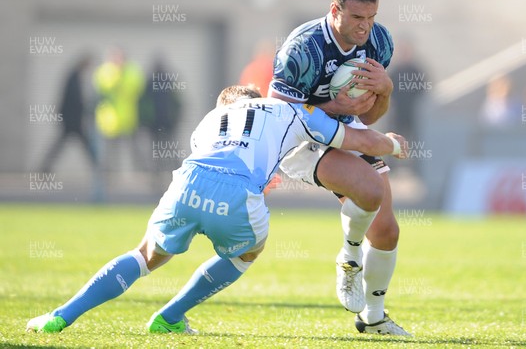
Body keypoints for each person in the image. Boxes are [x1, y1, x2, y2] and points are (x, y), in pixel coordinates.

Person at [26, 85, 409, 334]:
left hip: (188, 180)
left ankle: (60, 316)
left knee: (145, 254)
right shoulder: (287, 111)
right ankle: (170, 316)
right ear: (256, 96)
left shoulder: (208, 120)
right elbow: (351, 137)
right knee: (247, 253)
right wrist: (390, 144)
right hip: (238, 192)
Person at [268, 0, 410, 335]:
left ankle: (374, 317)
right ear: (335, 11)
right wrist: (332, 106)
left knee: (387, 231)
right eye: (357, 18)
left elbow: (368, 115)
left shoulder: (380, 42)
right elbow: (281, 116)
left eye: (371, 17)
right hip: (300, 139)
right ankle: (349, 257)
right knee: (370, 189)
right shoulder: (302, 48)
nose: (365, 27)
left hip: (347, 130)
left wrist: (386, 90)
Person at [39, 54, 97, 173]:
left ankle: (45, 168)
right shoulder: (74, 77)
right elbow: (74, 100)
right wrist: (86, 109)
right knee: (83, 145)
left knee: (61, 145)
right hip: (71, 120)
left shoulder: (74, 76)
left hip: (71, 119)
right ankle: (99, 168)